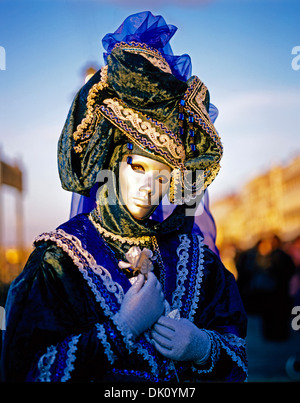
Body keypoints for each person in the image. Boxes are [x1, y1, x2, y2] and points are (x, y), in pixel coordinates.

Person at [1, 11, 247, 382]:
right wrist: (118, 332)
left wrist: (203, 348)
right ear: (113, 163)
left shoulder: (196, 259)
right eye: (138, 167)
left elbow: (239, 358)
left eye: (164, 174)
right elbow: (24, 371)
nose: (150, 185)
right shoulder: (59, 263)